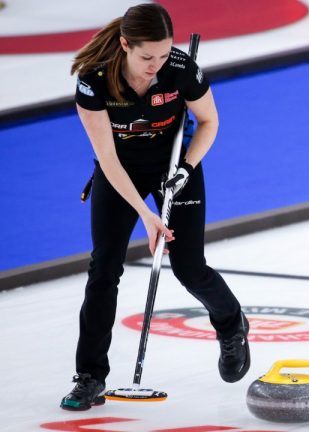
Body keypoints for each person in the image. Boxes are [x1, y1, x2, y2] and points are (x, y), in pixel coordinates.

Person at [61, 3, 250, 411]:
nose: (156, 66)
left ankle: (231, 324)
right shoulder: (94, 80)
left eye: (164, 55)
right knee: (104, 268)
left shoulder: (181, 70)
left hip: (173, 169)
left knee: (188, 267)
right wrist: (147, 215)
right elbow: (107, 159)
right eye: (147, 57)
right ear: (125, 45)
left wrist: (186, 168)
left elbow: (210, 122)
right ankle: (89, 377)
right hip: (119, 173)